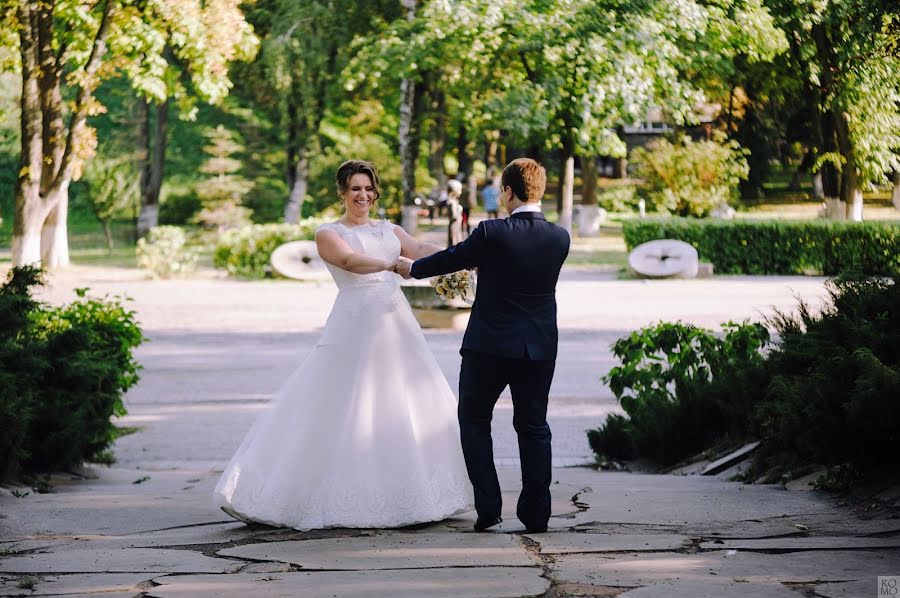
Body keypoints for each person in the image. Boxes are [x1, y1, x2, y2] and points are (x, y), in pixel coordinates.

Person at [215, 160, 473, 530]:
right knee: (336, 403)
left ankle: (417, 496)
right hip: (353, 324)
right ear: (341, 192)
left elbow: (419, 247)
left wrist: (458, 257)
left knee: (403, 399)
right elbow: (350, 261)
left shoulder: (391, 230)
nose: (363, 195)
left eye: (368, 188)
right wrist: (393, 263)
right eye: (355, 188)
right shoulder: (328, 233)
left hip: (395, 324)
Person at [397, 158, 570, 533]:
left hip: (488, 345)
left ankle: (489, 507)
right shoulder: (560, 237)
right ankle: (536, 514)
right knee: (534, 426)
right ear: (540, 191)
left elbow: (452, 258)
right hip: (539, 347)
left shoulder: (492, 233)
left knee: (474, 421)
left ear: (507, 191)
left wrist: (411, 268)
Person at [446, 178, 464, 246]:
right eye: (460, 190)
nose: (461, 192)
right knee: (454, 241)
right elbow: (454, 216)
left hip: (457, 225)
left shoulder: (453, 201)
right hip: (455, 225)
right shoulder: (452, 202)